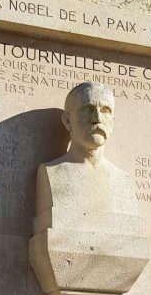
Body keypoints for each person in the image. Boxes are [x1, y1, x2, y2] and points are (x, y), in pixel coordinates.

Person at [34, 81, 139, 222]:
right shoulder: (51, 172)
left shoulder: (123, 181)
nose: (97, 119)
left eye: (105, 110)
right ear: (67, 121)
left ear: (112, 123)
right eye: (87, 109)